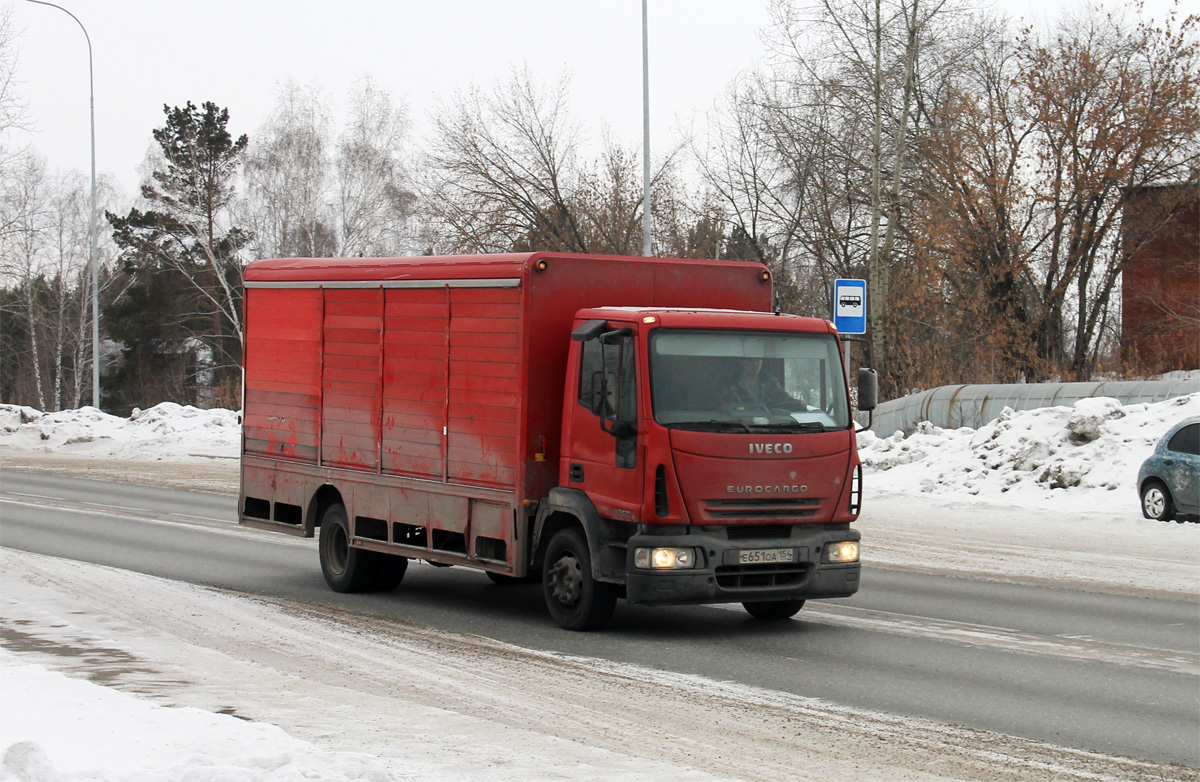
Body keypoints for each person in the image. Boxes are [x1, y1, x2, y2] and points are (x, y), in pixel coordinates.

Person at [719, 358, 807, 410]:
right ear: (742, 363)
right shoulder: (730, 384)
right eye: (750, 361)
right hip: (738, 429)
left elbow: (784, 400)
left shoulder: (770, 383)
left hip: (769, 428)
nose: (755, 364)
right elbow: (720, 409)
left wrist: (799, 403)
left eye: (758, 360)